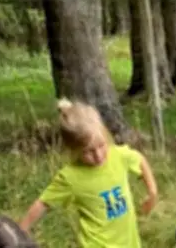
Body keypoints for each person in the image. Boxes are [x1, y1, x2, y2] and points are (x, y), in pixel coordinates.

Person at [19, 98, 158, 248]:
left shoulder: (118, 156)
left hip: (129, 242)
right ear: (73, 150)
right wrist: (19, 234)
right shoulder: (70, 177)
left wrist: (152, 192)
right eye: (88, 152)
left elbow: (139, 159)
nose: (98, 155)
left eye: (101, 145)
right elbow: (43, 203)